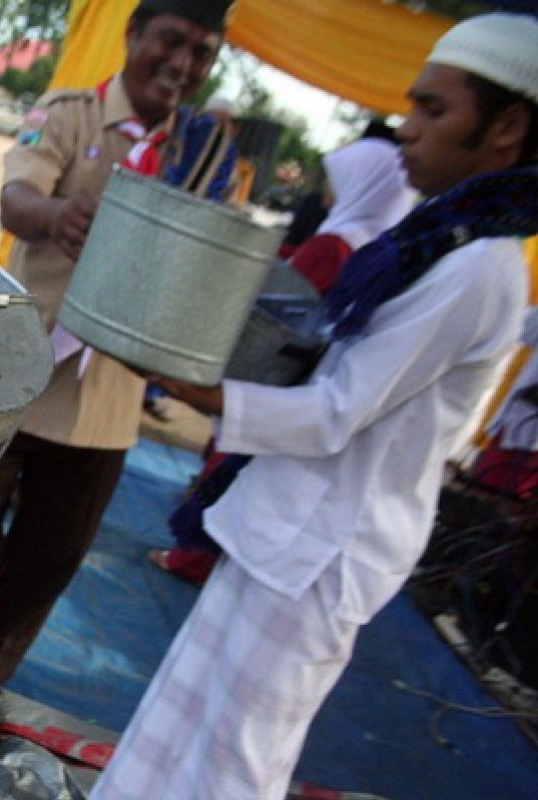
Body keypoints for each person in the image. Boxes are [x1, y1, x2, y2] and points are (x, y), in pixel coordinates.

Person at [91, 12, 538, 798]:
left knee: (235, 762)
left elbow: (339, 410)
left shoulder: (478, 270)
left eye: (433, 111)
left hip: (319, 558)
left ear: (506, 128)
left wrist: (205, 390)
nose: (405, 130)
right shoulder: (444, 241)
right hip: (286, 528)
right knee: (177, 725)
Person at [0, 0, 239, 751]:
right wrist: (53, 216)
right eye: (171, 42)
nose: (182, 64)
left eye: (202, 53)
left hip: (108, 396)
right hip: (21, 366)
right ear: (134, 36)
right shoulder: (70, 113)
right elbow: (15, 198)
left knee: (51, 556)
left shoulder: (206, 153)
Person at [150, 134, 417, 584]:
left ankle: (192, 557)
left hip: (274, 377)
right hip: (307, 382)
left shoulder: (336, 242)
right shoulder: (385, 249)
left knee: (227, 469)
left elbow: (278, 295)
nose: (327, 190)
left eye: (337, 179)